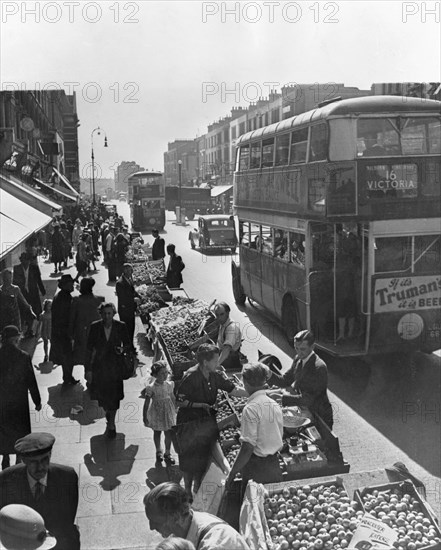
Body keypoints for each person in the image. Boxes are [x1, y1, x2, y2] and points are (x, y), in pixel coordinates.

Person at [174, 343, 247, 497]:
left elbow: (233, 390)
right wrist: (199, 404)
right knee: (188, 460)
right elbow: (178, 401)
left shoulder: (215, 375)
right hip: (189, 423)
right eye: (215, 360)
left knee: (202, 459)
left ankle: (197, 490)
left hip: (206, 422)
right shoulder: (191, 376)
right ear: (205, 362)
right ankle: (187, 491)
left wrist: (254, 391)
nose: (218, 362)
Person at [0, 432, 80, 550]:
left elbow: (68, 518)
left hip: (58, 541)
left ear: (50, 455)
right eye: (33, 462)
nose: (40, 467)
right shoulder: (7, 478)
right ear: (24, 460)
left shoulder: (67, 476)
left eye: (45, 459)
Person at [225, 362, 283, 488]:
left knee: (253, 504)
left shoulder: (250, 409)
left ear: (245, 383)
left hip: (257, 469)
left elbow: (247, 448)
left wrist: (232, 473)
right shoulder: (274, 403)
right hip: (274, 465)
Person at [144, 482, 250, 550]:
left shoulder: (214, 544)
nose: (151, 527)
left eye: (155, 521)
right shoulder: (182, 528)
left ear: (174, 516)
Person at [267, 330, 333, 429]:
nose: (298, 352)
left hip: (320, 415)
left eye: (302, 349)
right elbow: (285, 380)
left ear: (312, 347)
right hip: (306, 409)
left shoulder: (319, 367)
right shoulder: (298, 359)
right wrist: (268, 374)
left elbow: (309, 399)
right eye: (296, 348)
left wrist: (283, 398)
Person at [85, 302, 132, 438]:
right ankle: (108, 413)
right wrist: (88, 370)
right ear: (101, 314)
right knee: (103, 398)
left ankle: (111, 423)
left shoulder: (121, 326)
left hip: (115, 368)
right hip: (100, 369)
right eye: (104, 313)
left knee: (115, 398)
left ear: (113, 313)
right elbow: (88, 349)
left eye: (109, 313)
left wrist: (123, 349)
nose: (107, 316)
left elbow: (128, 345)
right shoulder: (95, 327)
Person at [0, 325, 42, 470]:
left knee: (4, 431)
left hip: (3, 402)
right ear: (16, 339)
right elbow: (31, 381)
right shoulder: (23, 356)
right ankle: (18, 461)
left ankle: (5, 458)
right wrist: (37, 400)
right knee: (19, 432)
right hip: (19, 402)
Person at [143, 361, 177, 465]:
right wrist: (145, 416)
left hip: (168, 412)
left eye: (166, 373)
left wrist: (175, 409)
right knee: (157, 432)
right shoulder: (151, 387)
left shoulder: (169, 385)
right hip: (157, 412)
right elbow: (147, 402)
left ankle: (167, 452)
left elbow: (172, 397)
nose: (165, 375)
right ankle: (158, 451)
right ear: (155, 375)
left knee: (168, 432)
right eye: (162, 373)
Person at [69, 277, 104, 367]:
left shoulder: (76, 300)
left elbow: (72, 319)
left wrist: (71, 335)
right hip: (97, 333)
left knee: (86, 358)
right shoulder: (99, 300)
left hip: (81, 333)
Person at [50, 274, 78, 385]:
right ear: (65, 285)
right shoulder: (64, 298)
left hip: (60, 332)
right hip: (63, 332)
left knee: (65, 356)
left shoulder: (62, 296)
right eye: (71, 284)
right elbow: (66, 316)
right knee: (67, 356)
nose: (73, 286)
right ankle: (67, 377)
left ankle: (67, 376)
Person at [13, 252, 46, 336]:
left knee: (34, 311)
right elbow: (14, 281)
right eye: (24, 259)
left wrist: (42, 290)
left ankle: (30, 329)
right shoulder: (17, 268)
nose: (26, 262)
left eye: (28, 260)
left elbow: (38, 279)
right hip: (22, 293)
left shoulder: (34, 268)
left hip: (33, 292)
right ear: (21, 260)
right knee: (24, 310)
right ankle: (28, 329)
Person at [0, 268, 36, 333]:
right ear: (3, 278)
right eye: (6, 278)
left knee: (15, 335)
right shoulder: (0, 290)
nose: (8, 280)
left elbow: (24, 302)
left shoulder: (15, 289)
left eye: (10, 278)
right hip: (3, 317)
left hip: (14, 317)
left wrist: (30, 310)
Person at [116, 263, 140, 353]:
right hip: (125, 310)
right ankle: (127, 348)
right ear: (125, 270)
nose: (131, 272)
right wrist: (133, 300)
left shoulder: (129, 279)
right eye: (130, 270)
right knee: (126, 329)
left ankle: (130, 346)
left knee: (131, 328)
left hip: (130, 309)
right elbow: (123, 298)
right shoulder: (120, 283)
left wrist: (138, 296)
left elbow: (132, 291)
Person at [214, 302, 242, 371]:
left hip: (229, 360)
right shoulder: (223, 323)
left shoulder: (231, 328)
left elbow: (227, 349)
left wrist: (217, 364)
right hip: (222, 355)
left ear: (228, 313)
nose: (219, 318)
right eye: (217, 315)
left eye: (222, 314)